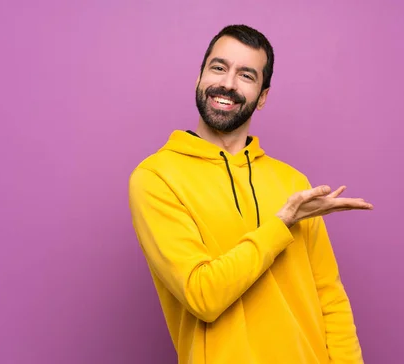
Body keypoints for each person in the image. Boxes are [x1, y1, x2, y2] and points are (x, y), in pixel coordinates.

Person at [128, 24, 373, 364]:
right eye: (218, 67)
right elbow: (203, 296)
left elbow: (329, 297)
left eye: (246, 75)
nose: (227, 83)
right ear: (199, 77)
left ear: (263, 96)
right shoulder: (156, 178)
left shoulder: (292, 182)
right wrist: (280, 224)